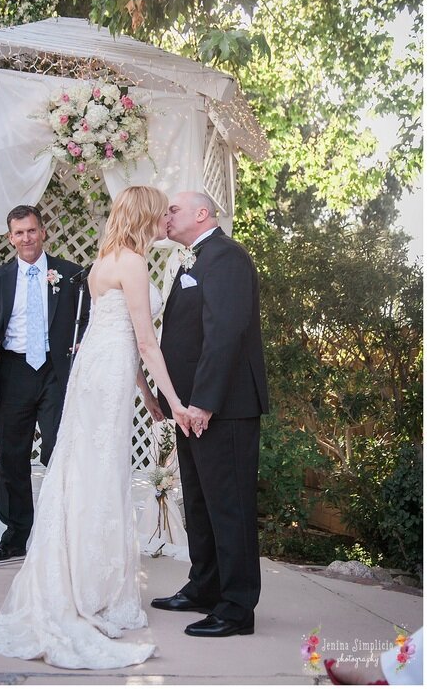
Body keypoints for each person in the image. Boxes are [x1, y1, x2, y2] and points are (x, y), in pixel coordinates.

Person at [0, 186, 195, 670]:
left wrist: (145, 394)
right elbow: (145, 341)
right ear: (145, 216)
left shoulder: (102, 262)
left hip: (95, 374)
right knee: (100, 475)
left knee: (86, 473)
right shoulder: (133, 263)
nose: (165, 221)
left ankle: (81, 577)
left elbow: (114, 333)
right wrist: (174, 400)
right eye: (161, 214)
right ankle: (90, 587)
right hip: (110, 373)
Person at [152, 191, 269, 637]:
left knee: (230, 507)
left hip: (224, 407)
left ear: (202, 214)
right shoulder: (195, 259)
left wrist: (203, 400)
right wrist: (177, 402)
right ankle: (204, 586)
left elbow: (225, 331)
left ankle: (237, 609)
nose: (167, 215)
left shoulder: (227, 256)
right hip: (193, 409)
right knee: (200, 502)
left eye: (174, 209)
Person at [0, 204, 89, 562]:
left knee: (59, 449)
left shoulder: (70, 274)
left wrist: (84, 341)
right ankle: (16, 535)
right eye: (19, 232)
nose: (26, 238)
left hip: (55, 372)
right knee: (11, 456)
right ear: (10, 237)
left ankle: (61, 533)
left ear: (43, 232)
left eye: (32, 230)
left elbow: (86, 317)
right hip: (11, 372)